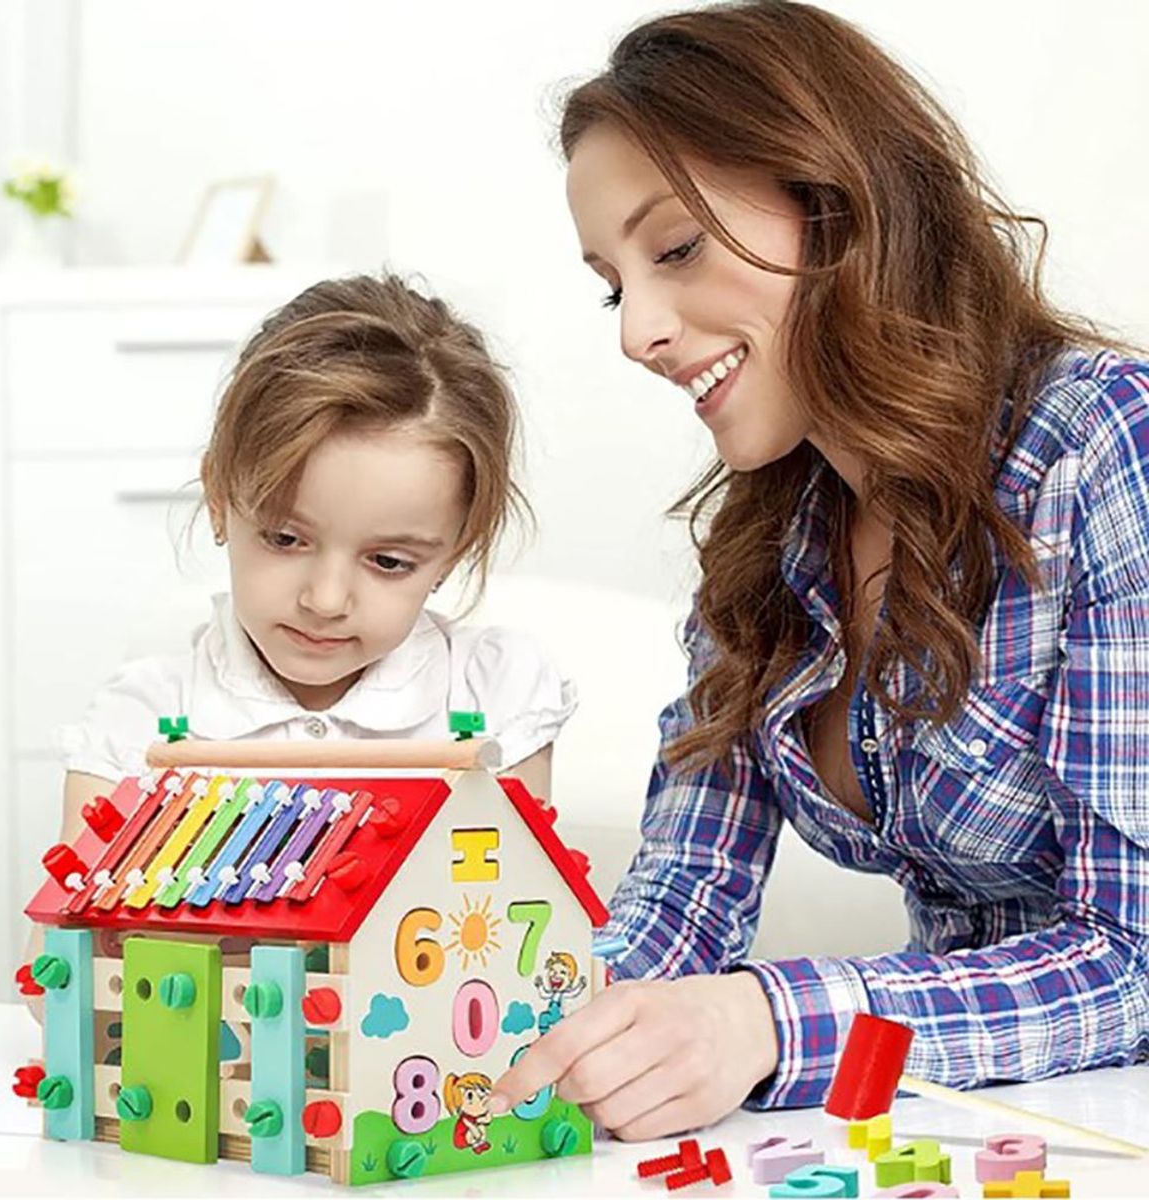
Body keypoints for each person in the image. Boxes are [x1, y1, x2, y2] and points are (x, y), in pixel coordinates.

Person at [492, 0, 1149, 1142]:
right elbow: (684, 900)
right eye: (613, 281)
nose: (636, 330)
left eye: (677, 249)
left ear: (836, 201)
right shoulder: (771, 543)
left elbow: (1134, 959)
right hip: (963, 1124)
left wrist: (770, 1022)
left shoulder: (1100, 446)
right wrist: (512, 1026)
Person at [26, 273, 576, 978]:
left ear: (456, 549)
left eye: (387, 560)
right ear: (222, 500)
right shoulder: (142, 720)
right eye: (286, 539)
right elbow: (57, 980)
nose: (325, 598)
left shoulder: (497, 694)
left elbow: (525, 959)